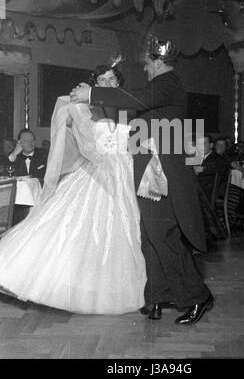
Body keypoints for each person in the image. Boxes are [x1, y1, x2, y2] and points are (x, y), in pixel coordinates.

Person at [70, 36, 214, 325]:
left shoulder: (167, 83)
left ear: (159, 61)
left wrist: (92, 94)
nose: (146, 68)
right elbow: (147, 129)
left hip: (163, 177)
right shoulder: (159, 87)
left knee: (163, 236)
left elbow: (136, 100)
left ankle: (198, 296)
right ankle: (157, 297)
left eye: (148, 63)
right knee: (150, 236)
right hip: (152, 174)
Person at [0, 61, 146, 315]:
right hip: (100, 171)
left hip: (126, 171)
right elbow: (77, 133)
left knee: (126, 227)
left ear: (119, 83)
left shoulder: (130, 109)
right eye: (103, 80)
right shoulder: (87, 108)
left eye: (113, 80)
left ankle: (109, 286)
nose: (109, 84)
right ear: (95, 85)